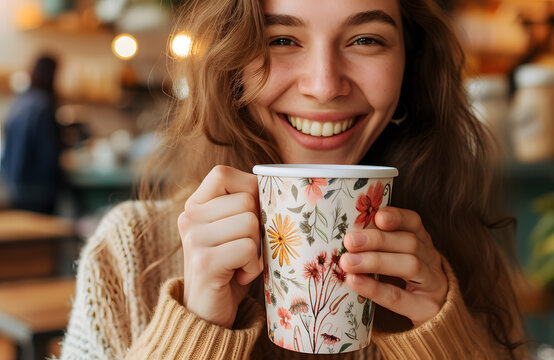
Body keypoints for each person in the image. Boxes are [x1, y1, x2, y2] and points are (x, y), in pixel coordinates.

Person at [60, 0, 526, 358]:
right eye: (281, 39)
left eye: (365, 40)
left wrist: (442, 337)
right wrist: (197, 325)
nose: (324, 85)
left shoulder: (458, 253)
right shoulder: (127, 252)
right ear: (231, 62)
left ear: (411, 65)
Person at [1, 55, 61, 214]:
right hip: (37, 189)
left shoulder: (20, 102)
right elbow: (48, 152)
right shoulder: (42, 104)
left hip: (14, 185)